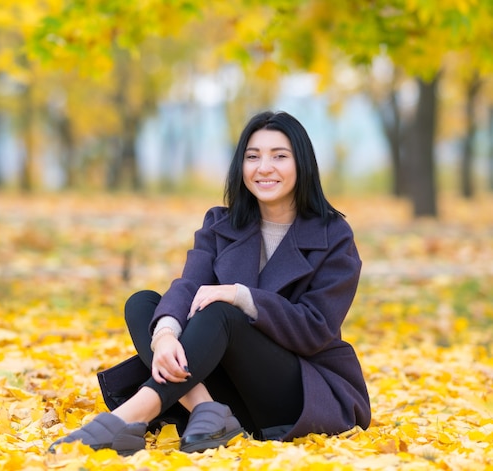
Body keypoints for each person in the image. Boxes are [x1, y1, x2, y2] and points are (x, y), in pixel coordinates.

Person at [49, 110, 371, 456]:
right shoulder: (222, 223)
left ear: (303, 164)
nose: (264, 168)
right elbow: (189, 285)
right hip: (229, 392)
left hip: (295, 393)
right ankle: (207, 410)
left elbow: (316, 328)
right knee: (144, 304)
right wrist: (167, 335)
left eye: (279, 156)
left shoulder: (332, 235)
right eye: (252, 157)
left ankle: (131, 416)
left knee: (222, 310)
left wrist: (240, 297)